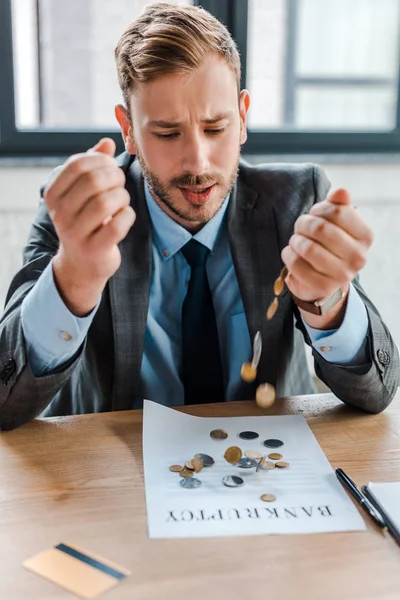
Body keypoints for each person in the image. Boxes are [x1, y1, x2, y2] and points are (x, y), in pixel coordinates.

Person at [0, 2, 398, 430]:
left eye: (215, 128)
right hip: (115, 475)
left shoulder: (297, 199)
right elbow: (6, 404)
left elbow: (377, 391)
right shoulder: (80, 210)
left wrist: (330, 303)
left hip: (266, 469)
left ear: (243, 118)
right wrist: (73, 279)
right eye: (167, 133)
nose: (198, 162)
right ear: (128, 129)